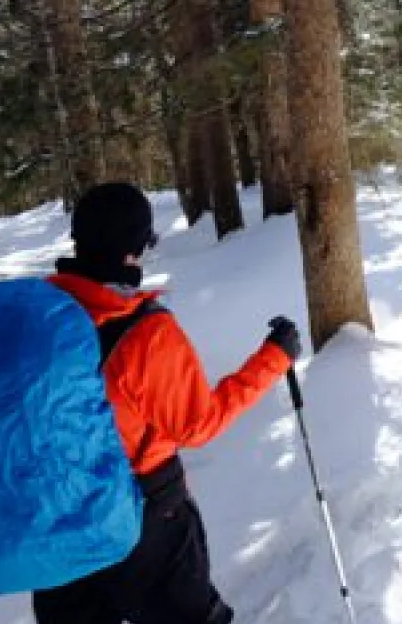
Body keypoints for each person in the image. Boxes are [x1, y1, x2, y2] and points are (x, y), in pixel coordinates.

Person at [36, 182, 303, 624]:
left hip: (54, 522)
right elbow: (198, 425)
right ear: (130, 252)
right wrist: (274, 358)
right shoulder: (145, 334)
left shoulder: (38, 317)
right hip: (140, 520)